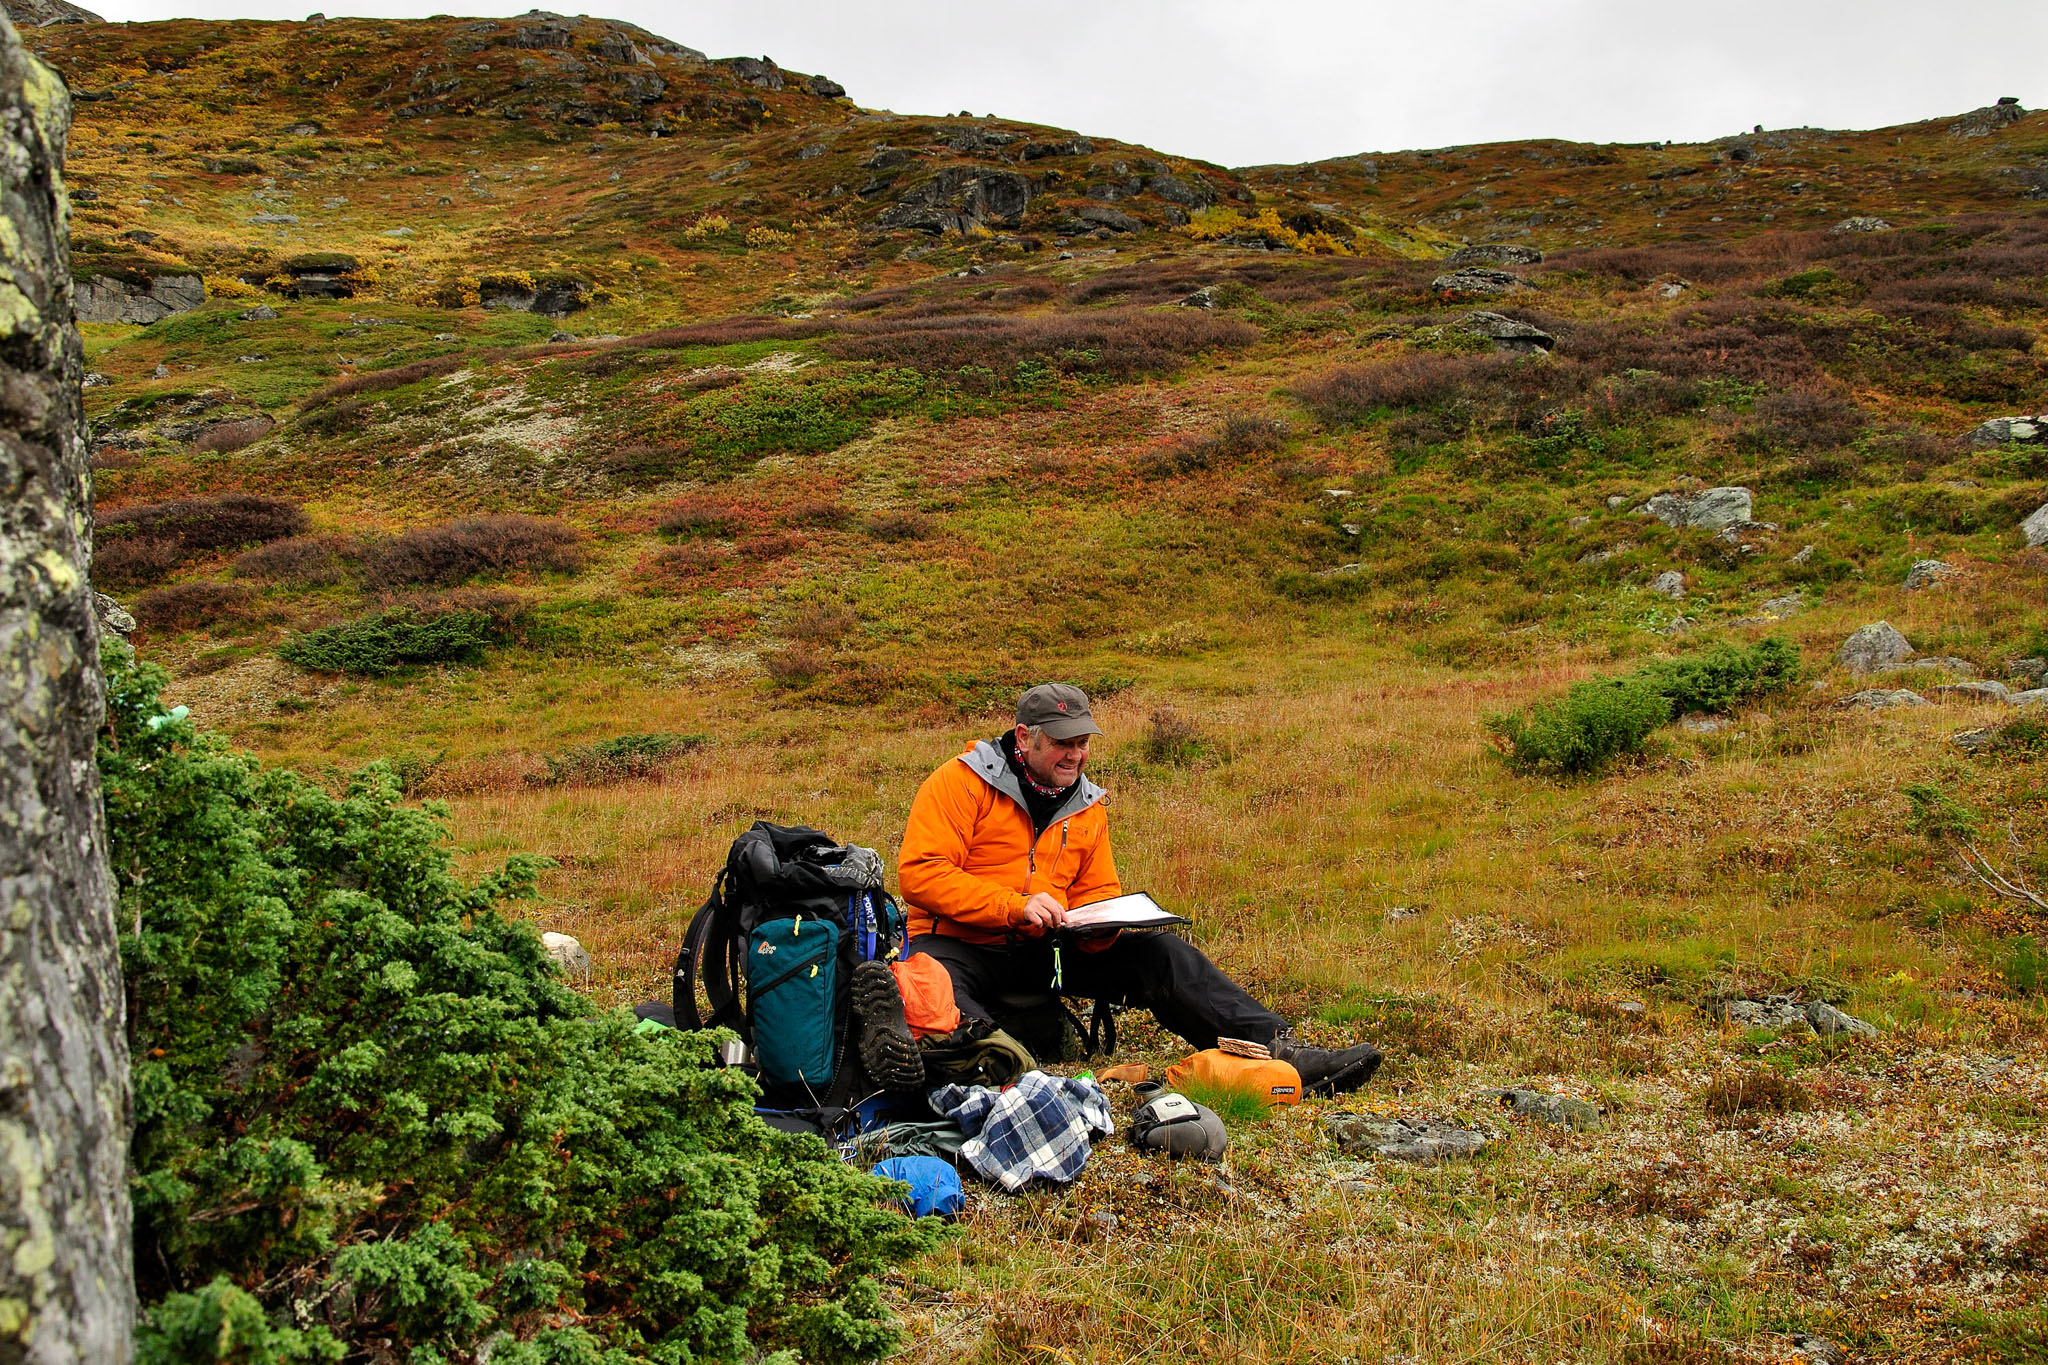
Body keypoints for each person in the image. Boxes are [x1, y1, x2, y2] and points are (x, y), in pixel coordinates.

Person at [859, 682, 1381, 1093]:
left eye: (1083, 743)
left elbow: (1096, 891)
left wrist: (1098, 930)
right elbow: (921, 874)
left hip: (1048, 948)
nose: (1076, 755)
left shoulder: (1088, 805)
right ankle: (993, 1075)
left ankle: (1278, 1053)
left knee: (1162, 953)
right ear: (1024, 737)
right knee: (935, 992)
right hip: (957, 943)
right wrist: (1013, 907)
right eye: (1064, 742)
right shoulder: (958, 783)